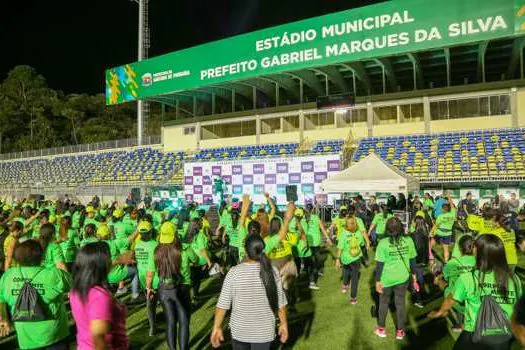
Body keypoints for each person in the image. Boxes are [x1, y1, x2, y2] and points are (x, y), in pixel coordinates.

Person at [428, 234, 522, 349]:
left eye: (475, 248)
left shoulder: (469, 278)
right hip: (504, 334)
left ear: (480, 253)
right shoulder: (514, 278)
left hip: (475, 333)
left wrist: (440, 312)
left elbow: (451, 299)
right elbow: (518, 307)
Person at [211, 234, 288, 349]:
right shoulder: (273, 271)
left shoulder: (234, 272)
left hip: (240, 331)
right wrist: (283, 324)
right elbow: (280, 302)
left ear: (246, 251)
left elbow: (222, 304)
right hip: (264, 332)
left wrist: (217, 327)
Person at [0, 240, 72, 350]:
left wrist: (4, 318)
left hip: (26, 339)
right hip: (55, 335)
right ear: (42, 256)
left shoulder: (7, 276)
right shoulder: (54, 274)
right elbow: (72, 285)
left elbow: (1, 298)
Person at [70, 242, 129, 350]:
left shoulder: (77, 290)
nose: (110, 261)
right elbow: (98, 337)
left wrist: (119, 260)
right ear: (101, 264)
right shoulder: (98, 296)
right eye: (109, 258)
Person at [146, 232, 197, 350]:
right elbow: (195, 259)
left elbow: (150, 274)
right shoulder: (184, 249)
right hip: (183, 288)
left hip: (164, 289)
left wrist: (149, 288)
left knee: (170, 322)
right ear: (175, 236)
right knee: (184, 322)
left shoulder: (156, 252)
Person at [375, 217, 417, 340]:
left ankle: (381, 329)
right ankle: (400, 331)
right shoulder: (408, 240)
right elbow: (413, 260)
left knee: (383, 303)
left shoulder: (382, 243)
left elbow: (379, 266)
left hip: (387, 279)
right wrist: (413, 275)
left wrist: (377, 281)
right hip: (402, 278)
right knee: (400, 304)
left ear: (387, 229)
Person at [434, 235, 476, 332]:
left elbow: (446, 277)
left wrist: (438, 280)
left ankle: (461, 324)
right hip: (473, 298)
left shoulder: (452, 263)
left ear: (460, 248)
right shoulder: (480, 262)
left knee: (458, 307)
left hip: (456, 298)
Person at [336, 216, 365, 304]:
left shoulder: (343, 233)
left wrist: (337, 259)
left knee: (346, 270)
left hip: (346, 257)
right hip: (356, 257)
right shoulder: (359, 232)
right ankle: (353, 298)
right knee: (354, 278)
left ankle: (345, 285)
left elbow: (340, 248)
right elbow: (362, 243)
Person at [304, 203, 331, 288]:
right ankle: (312, 281)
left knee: (310, 261)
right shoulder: (315, 217)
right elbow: (322, 228)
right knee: (315, 261)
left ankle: (311, 275)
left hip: (307, 242)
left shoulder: (303, 218)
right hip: (314, 243)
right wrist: (328, 238)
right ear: (312, 209)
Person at [431, 196, 456, 262]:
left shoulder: (440, 216)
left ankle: (429, 256)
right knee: (446, 249)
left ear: (443, 209)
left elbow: (435, 226)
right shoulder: (452, 214)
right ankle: (446, 262)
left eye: (442, 209)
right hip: (448, 234)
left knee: (430, 245)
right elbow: (452, 205)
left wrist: (431, 232)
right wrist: (449, 197)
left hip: (439, 233)